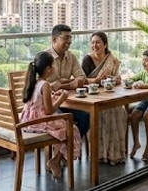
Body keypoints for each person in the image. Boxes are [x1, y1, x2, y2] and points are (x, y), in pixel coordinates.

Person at [19, 51, 81, 180]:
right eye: (53, 66)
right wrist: (62, 98)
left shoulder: (34, 82)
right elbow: (48, 111)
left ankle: (58, 160)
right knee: (72, 129)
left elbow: (38, 102)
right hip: (38, 122)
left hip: (27, 121)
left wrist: (54, 96)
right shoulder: (45, 85)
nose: (54, 68)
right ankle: (56, 160)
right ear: (48, 69)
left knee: (64, 126)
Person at [81, 32, 125, 164]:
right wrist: (96, 80)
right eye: (92, 42)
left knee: (119, 111)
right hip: (92, 96)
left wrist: (115, 79)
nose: (94, 45)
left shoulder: (111, 59)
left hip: (109, 94)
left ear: (105, 44)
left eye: (98, 42)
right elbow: (82, 80)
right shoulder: (87, 60)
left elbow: (116, 77)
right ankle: (101, 154)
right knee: (103, 112)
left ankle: (114, 153)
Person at [45, 24, 90, 137]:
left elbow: (82, 79)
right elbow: (40, 85)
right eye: (66, 37)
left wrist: (61, 85)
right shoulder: (44, 58)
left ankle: (68, 150)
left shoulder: (71, 57)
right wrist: (70, 83)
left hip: (67, 103)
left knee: (87, 116)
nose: (69, 41)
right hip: (48, 105)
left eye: (70, 38)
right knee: (74, 119)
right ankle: (67, 150)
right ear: (54, 39)